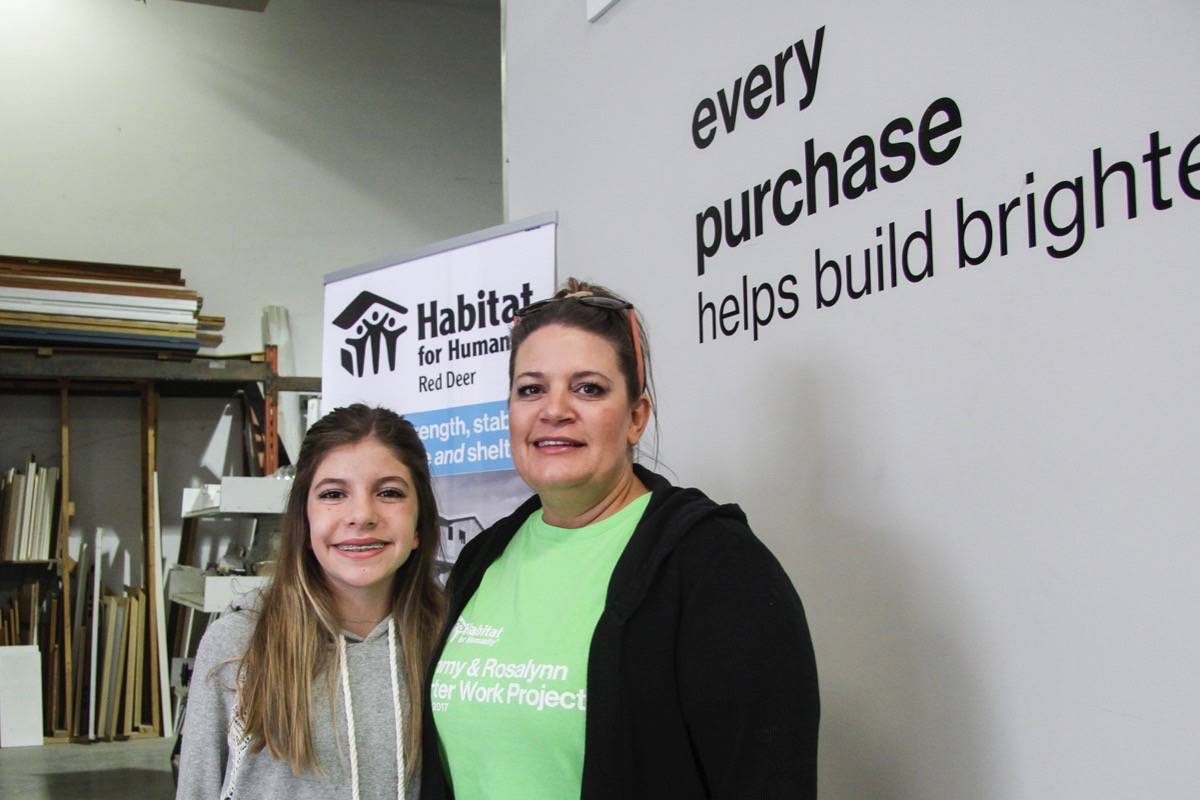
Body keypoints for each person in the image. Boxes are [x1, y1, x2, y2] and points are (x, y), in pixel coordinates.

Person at [422, 279, 819, 799]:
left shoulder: (716, 568)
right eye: (531, 389)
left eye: (587, 388)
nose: (554, 409)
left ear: (636, 417)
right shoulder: (482, 558)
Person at [177, 404, 446, 800]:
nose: (361, 515)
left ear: (420, 523)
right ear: (304, 521)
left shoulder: (451, 639)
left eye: (389, 492)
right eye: (334, 494)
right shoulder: (239, 644)